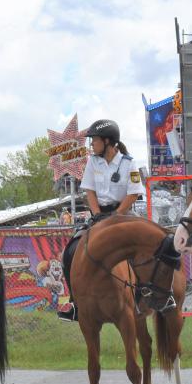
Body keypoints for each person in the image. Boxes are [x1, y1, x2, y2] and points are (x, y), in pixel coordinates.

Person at [57, 119, 146, 321]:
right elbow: (89, 190)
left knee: (143, 249)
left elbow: (133, 194)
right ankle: (75, 302)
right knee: (71, 249)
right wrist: (97, 214)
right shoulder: (92, 162)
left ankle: (145, 296)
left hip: (123, 214)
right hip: (98, 215)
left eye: (94, 141)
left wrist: (116, 215)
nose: (91, 145)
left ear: (107, 141)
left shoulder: (129, 163)